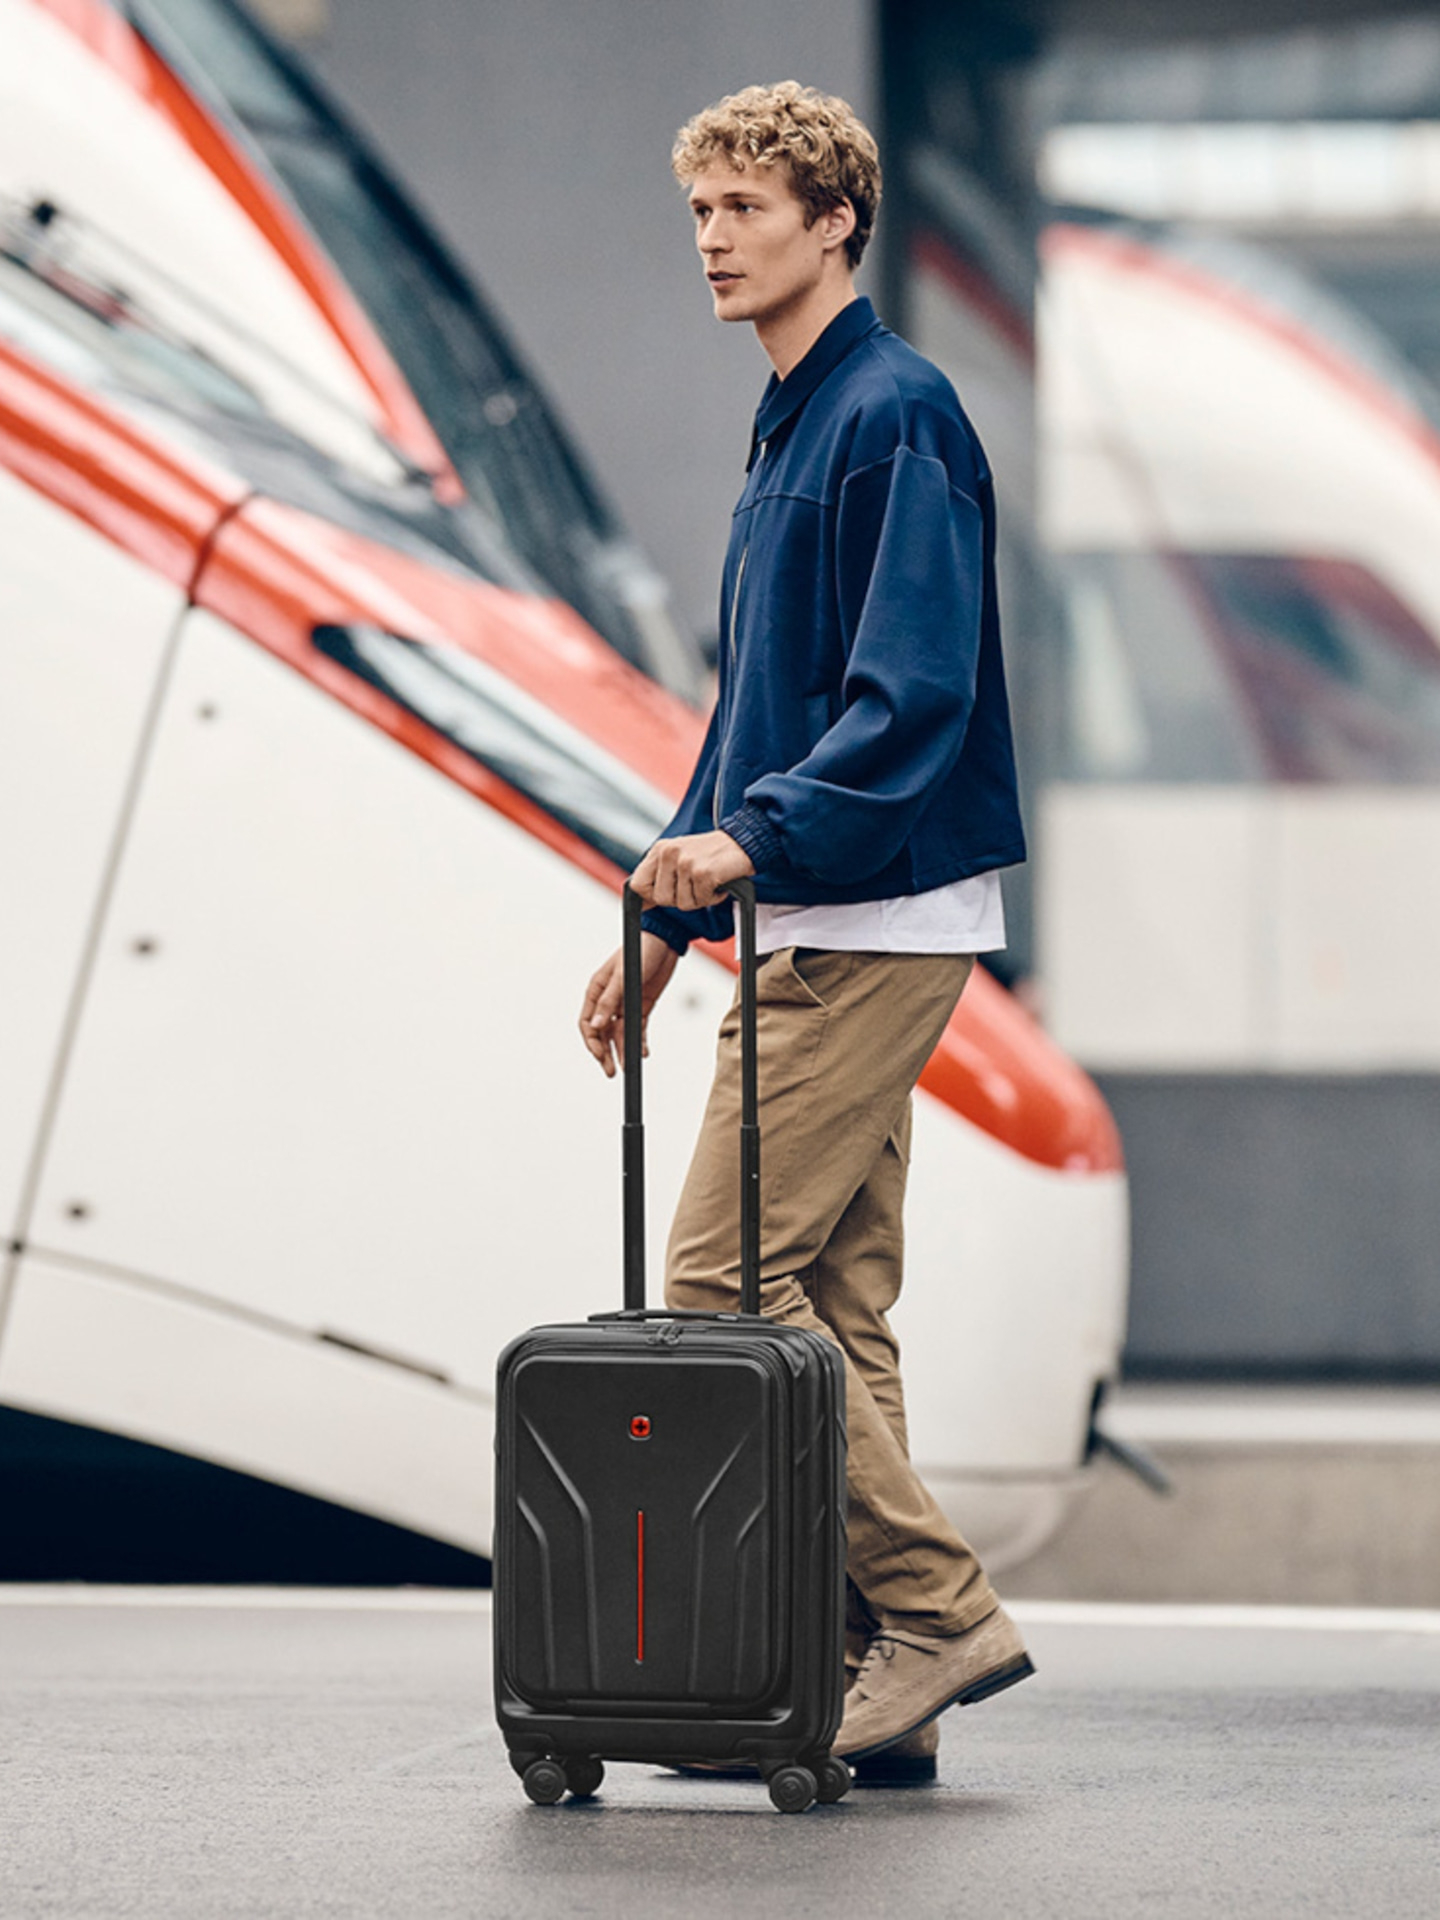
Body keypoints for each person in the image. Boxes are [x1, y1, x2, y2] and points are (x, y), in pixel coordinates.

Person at [577, 81, 1032, 1778]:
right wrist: (665, 922)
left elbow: (907, 701)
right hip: (815, 911)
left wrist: (750, 844)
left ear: (835, 221)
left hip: (869, 918)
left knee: (714, 1290)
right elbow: (748, 719)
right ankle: (872, 1684)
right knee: (835, 1297)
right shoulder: (797, 417)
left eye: (746, 211)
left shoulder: (894, 417)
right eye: (700, 211)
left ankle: (935, 1611)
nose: (713, 240)